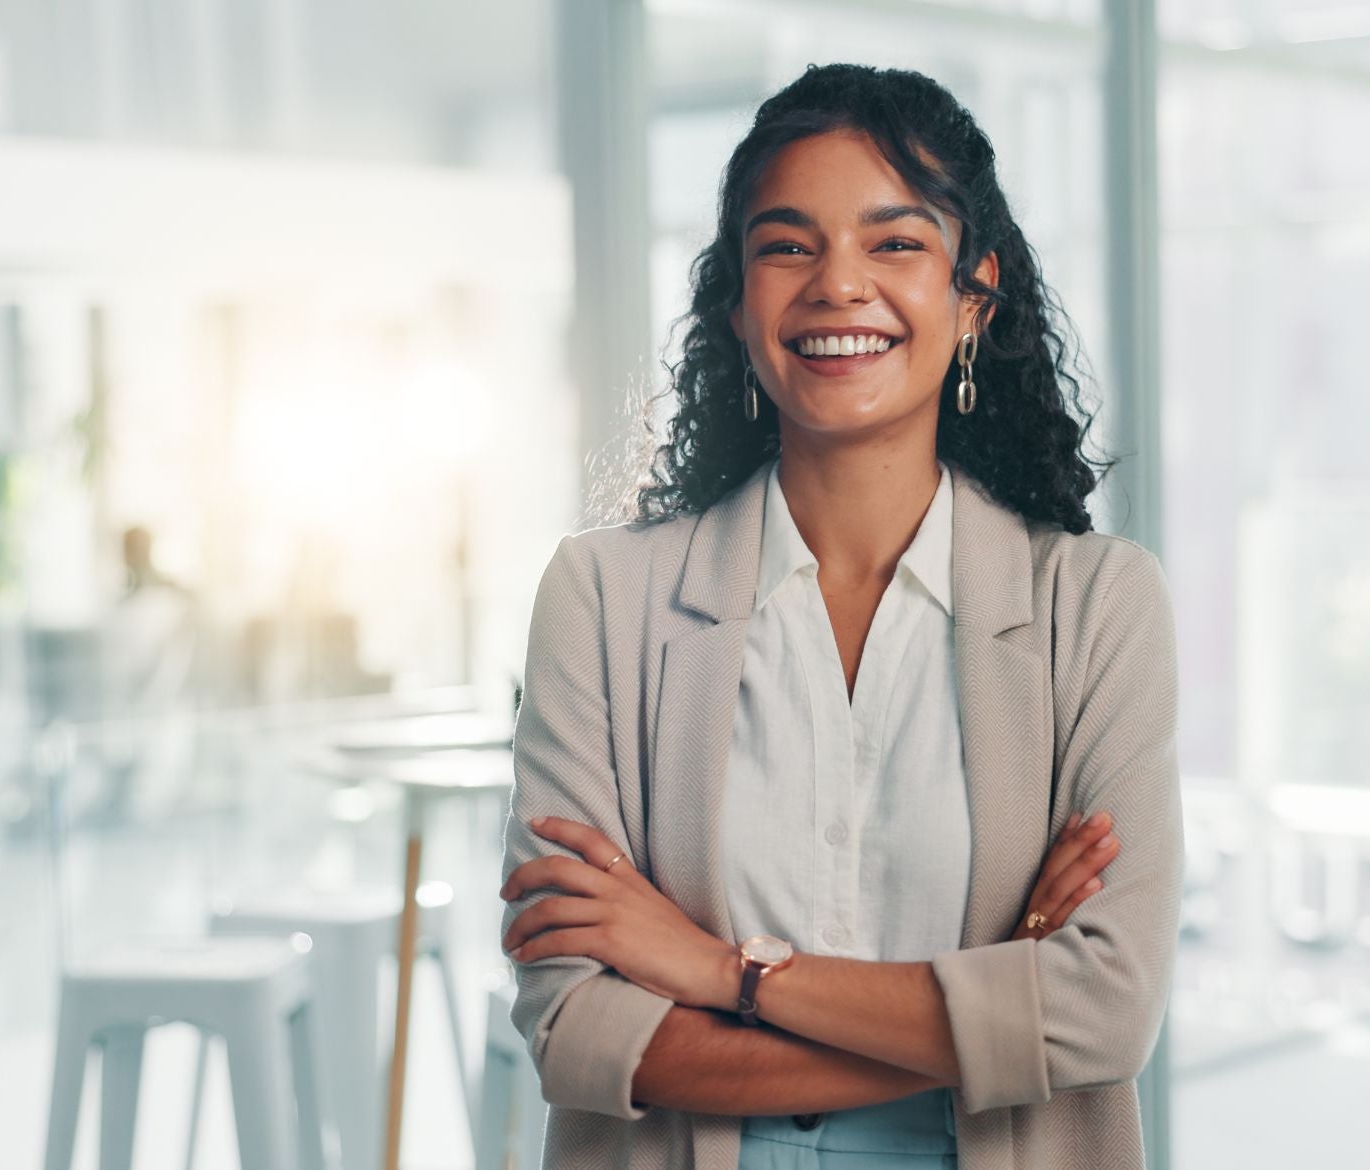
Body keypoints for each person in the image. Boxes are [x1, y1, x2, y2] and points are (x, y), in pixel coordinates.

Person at [497, 63, 1182, 1170]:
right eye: (787, 245)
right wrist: (998, 1011)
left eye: (895, 243)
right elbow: (577, 1028)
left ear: (974, 295)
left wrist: (725, 973)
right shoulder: (600, 599)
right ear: (735, 300)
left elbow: (1106, 1013)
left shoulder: (1095, 606)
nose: (837, 285)